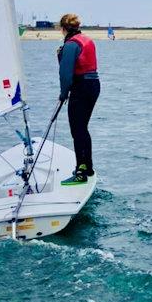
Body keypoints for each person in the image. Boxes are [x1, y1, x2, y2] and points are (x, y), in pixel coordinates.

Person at [57, 13, 100, 186]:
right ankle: (87, 167)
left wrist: (63, 94)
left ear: (63, 28)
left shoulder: (70, 44)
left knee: (77, 130)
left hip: (81, 88)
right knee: (83, 128)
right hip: (94, 85)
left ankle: (81, 172)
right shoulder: (86, 39)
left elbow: (65, 74)